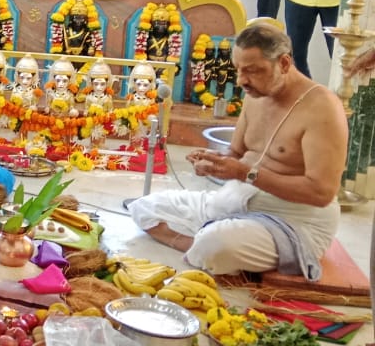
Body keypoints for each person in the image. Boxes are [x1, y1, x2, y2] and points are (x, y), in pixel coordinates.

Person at [130, 24, 345, 278]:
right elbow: (236, 153)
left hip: (293, 219)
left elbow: (321, 193)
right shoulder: (255, 94)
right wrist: (215, 162)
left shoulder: (322, 108)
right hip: (235, 200)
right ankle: (202, 247)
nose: (242, 80)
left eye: (253, 71)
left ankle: (210, 247)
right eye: (239, 69)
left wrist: (247, 174)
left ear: (284, 63)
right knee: (144, 207)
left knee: (216, 244)